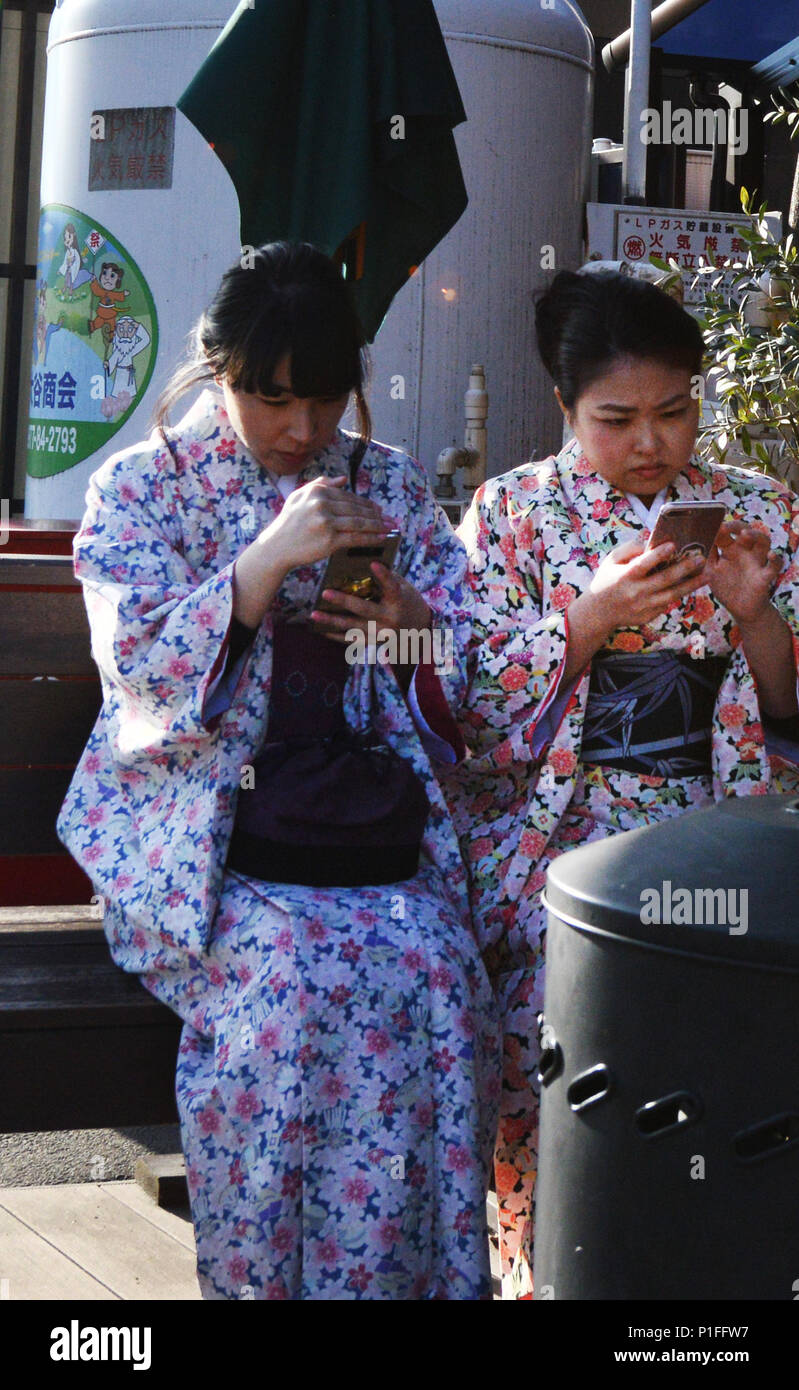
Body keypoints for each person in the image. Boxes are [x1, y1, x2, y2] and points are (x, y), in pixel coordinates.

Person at [57, 241, 501, 1300]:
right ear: (218, 372)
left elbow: (469, 682)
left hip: (363, 830)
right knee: (287, 992)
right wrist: (259, 567)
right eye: (271, 399)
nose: (303, 431)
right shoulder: (142, 487)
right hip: (203, 832)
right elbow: (141, 679)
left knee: (440, 976)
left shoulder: (383, 481)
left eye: (326, 398)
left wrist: (410, 626)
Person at [443, 268, 799, 1298]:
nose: (651, 442)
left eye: (675, 411)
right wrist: (588, 617)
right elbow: (469, 706)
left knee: (739, 1060)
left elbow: (786, 702)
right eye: (617, 418)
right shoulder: (510, 510)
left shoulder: (757, 507)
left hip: (721, 823)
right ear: (563, 410)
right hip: (565, 841)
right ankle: (555, 1277)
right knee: (553, 1055)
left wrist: (756, 615)